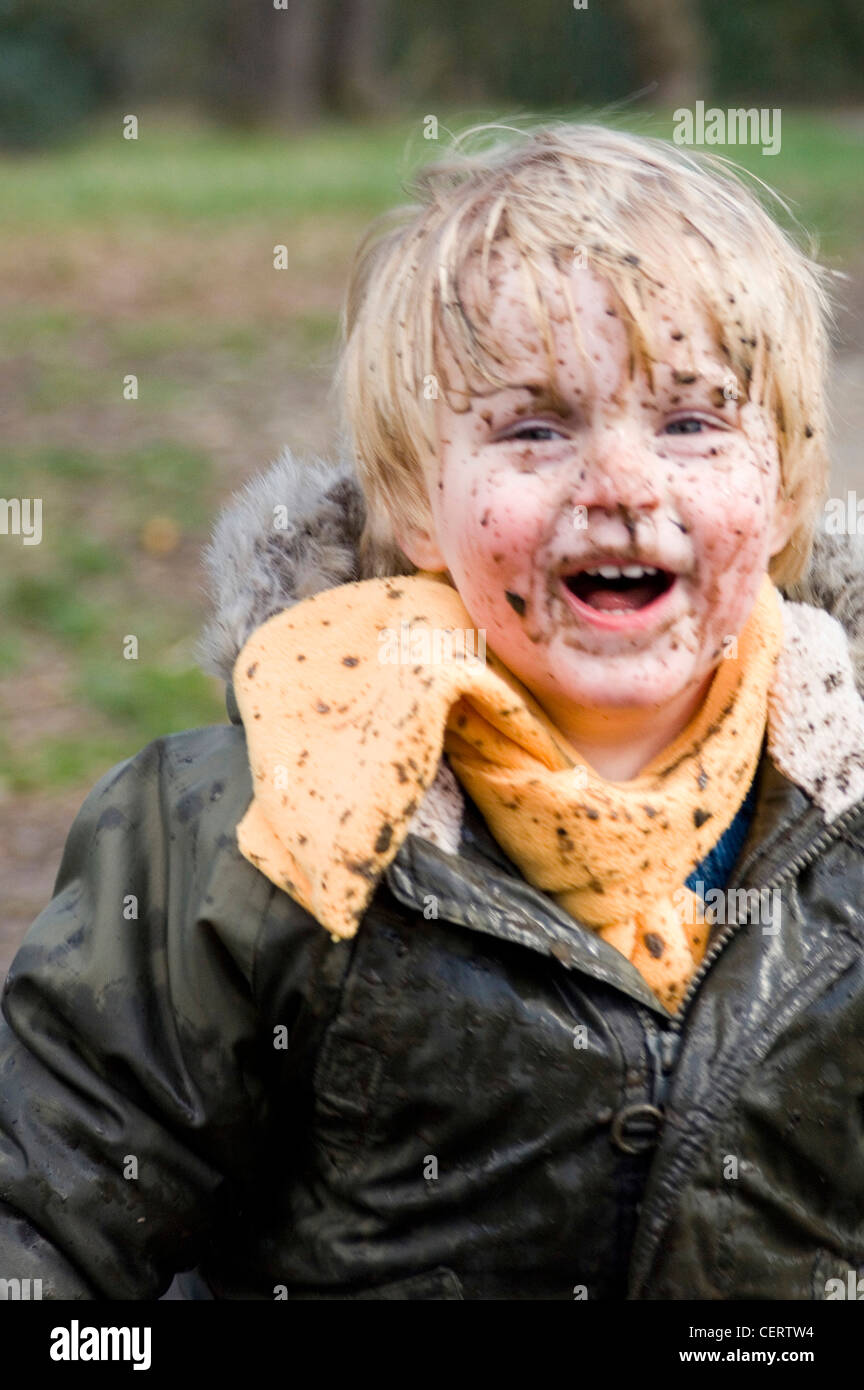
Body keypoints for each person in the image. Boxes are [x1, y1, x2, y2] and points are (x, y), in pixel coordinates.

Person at [1, 123, 863, 1301]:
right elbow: (46, 1205)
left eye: (692, 422)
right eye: (535, 427)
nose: (621, 483)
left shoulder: (844, 807)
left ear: (786, 492)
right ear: (415, 500)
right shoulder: (261, 823)